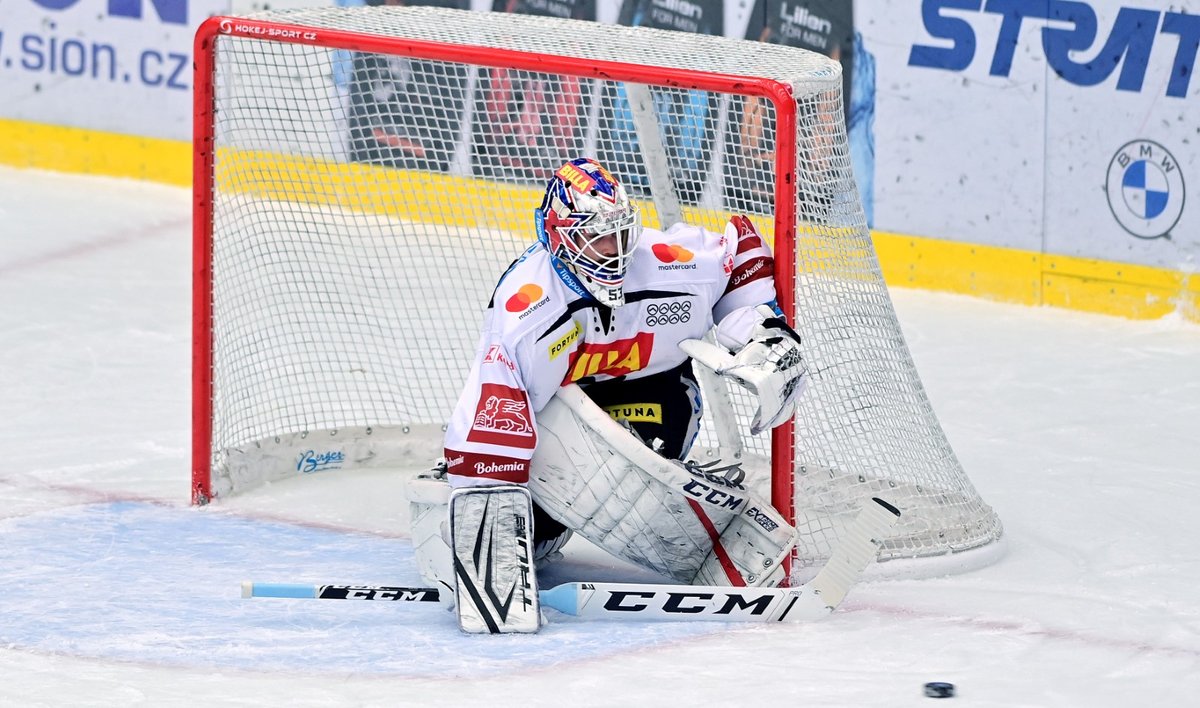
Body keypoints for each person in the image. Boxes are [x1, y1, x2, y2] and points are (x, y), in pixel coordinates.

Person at [408, 157, 808, 633]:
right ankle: (542, 522)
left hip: (658, 396)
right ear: (559, 236)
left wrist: (763, 330)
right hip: (563, 411)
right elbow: (497, 410)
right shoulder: (530, 304)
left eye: (620, 233)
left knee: (634, 468)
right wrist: (488, 508)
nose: (613, 250)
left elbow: (740, 250)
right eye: (595, 237)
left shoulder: (667, 261)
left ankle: (670, 483)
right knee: (530, 516)